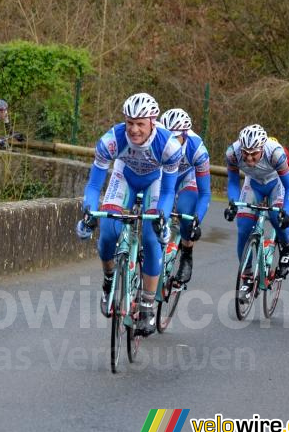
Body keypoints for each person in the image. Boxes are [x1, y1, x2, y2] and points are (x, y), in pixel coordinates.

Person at [76, 93, 182, 336]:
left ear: (152, 122)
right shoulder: (111, 140)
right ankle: (109, 280)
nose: (134, 130)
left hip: (155, 183)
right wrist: (89, 213)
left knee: (151, 237)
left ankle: (146, 306)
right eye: (130, 123)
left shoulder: (169, 146)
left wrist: (162, 217)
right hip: (124, 177)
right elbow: (93, 187)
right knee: (108, 230)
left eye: (140, 124)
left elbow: (167, 190)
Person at [224, 125, 289, 290]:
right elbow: (233, 182)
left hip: (275, 184)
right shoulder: (233, 153)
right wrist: (233, 203)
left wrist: (287, 211)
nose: (249, 159)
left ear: (262, 148)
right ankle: (247, 275)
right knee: (243, 228)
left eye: (254, 154)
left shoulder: (276, 153)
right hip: (253, 184)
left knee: (278, 218)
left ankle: (285, 248)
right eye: (246, 153)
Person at [158, 108, 211, 283]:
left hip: (187, 178)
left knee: (185, 213)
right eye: (167, 137)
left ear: (185, 135)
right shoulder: (156, 140)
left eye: (176, 138)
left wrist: (197, 219)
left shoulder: (197, 149)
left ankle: (187, 255)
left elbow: (204, 193)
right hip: (165, 175)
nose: (170, 143)